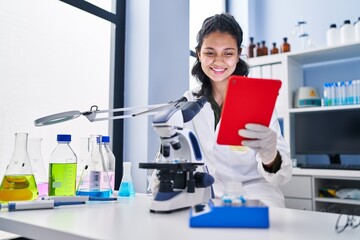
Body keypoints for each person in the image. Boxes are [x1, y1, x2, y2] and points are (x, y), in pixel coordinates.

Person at [183, 13, 292, 207]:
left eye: (228, 53)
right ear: (199, 53)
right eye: (209, 52)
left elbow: (282, 176)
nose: (218, 61)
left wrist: (270, 155)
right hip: (208, 196)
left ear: (238, 54)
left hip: (256, 195)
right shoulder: (190, 100)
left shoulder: (257, 98)